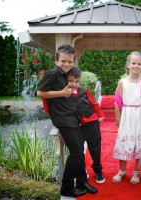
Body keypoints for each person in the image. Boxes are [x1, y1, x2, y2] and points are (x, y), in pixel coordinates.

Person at [37, 44, 98, 199]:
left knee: (79, 151)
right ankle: (66, 188)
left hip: (72, 118)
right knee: (77, 152)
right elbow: (39, 93)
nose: (66, 64)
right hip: (63, 120)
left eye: (70, 62)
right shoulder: (53, 74)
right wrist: (62, 93)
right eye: (63, 61)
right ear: (56, 60)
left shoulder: (67, 73)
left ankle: (81, 182)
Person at [42, 66, 106, 184]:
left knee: (95, 149)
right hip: (75, 126)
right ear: (65, 80)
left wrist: (100, 114)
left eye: (76, 81)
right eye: (71, 81)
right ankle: (82, 171)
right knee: (78, 151)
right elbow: (48, 106)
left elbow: (93, 103)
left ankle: (98, 170)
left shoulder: (83, 90)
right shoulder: (60, 93)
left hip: (91, 123)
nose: (74, 84)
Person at [112, 51, 141, 184]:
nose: (136, 66)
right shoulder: (122, 82)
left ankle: (136, 171)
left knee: (138, 143)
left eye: (139, 64)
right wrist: (118, 119)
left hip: (140, 116)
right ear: (128, 65)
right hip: (127, 115)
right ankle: (122, 171)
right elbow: (117, 102)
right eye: (133, 63)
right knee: (124, 142)